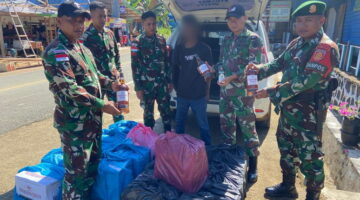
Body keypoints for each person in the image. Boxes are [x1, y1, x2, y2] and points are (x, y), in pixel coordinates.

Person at [247, 1, 339, 199]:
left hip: (309, 114)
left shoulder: (325, 47)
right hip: (289, 110)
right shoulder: (296, 43)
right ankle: (288, 187)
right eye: (299, 21)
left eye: (308, 20)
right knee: (286, 150)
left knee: (310, 158)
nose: (302, 25)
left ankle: (312, 195)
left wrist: (271, 92)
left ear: (321, 20)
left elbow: (306, 81)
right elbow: (278, 63)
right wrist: (258, 69)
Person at [42, 2, 122, 199]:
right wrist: (103, 104)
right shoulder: (57, 52)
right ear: (59, 21)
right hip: (75, 125)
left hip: (92, 122)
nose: (79, 26)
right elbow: (70, 88)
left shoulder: (82, 48)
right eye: (74, 21)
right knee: (76, 175)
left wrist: (111, 84)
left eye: (82, 21)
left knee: (92, 167)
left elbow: (95, 76)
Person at [214, 4, 262, 183]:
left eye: (235, 19)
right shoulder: (226, 39)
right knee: (226, 128)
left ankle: (253, 167)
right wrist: (214, 70)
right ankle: (230, 162)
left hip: (243, 94)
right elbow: (222, 63)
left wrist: (232, 76)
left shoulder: (253, 39)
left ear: (244, 19)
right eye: (229, 20)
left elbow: (254, 66)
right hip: (225, 92)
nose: (232, 23)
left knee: (248, 129)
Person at [172, 15, 213, 145]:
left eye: (190, 27)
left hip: (199, 95)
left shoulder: (205, 49)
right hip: (182, 95)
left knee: (203, 126)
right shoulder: (179, 48)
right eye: (185, 28)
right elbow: (175, 69)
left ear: (196, 29)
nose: (187, 30)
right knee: (179, 125)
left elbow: (209, 74)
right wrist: (174, 87)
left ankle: (207, 151)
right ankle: (179, 150)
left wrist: (207, 92)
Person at [82, 1, 124, 122]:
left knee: (118, 112)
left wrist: (121, 80)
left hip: (113, 82)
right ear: (92, 16)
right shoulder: (86, 37)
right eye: (99, 16)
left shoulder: (110, 34)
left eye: (104, 16)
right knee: (95, 115)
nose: (103, 19)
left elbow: (117, 59)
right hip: (97, 84)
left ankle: (119, 138)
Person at [131, 11, 172, 132]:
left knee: (166, 111)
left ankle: (168, 136)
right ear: (143, 24)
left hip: (162, 84)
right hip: (146, 85)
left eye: (154, 24)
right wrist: (138, 88)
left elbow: (167, 61)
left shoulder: (161, 40)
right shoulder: (136, 42)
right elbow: (135, 66)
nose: (152, 27)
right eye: (148, 24)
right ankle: (149, 138)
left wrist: (169, 81)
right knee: (148, 114)